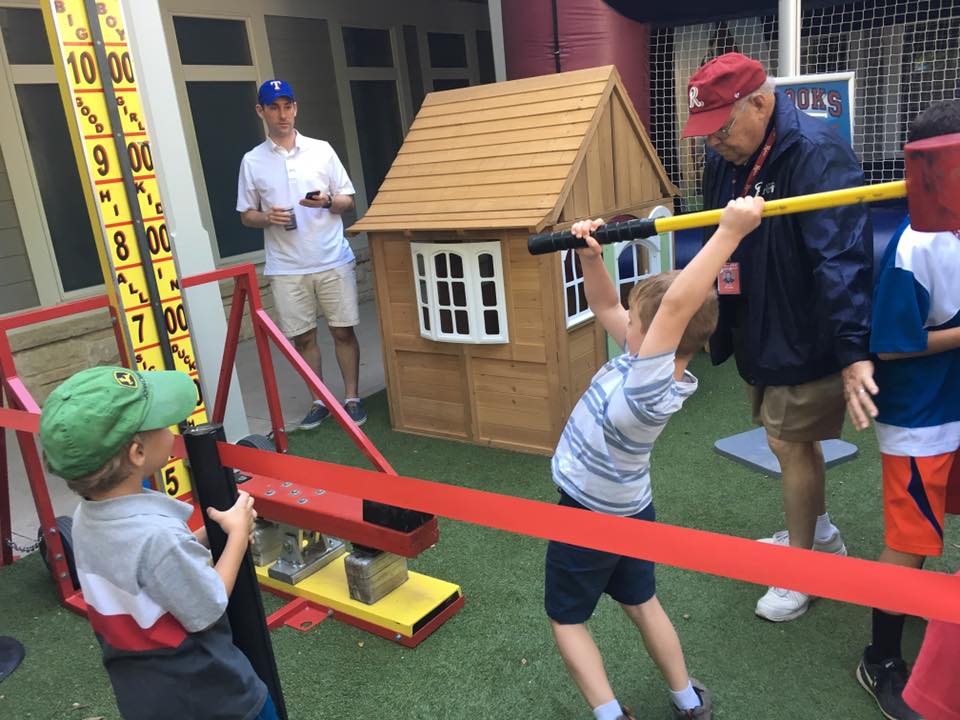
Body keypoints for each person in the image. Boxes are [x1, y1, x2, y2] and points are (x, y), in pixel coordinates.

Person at [546, 194, 767, 720]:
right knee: (641, 601)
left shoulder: (644, 387)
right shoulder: (648, 367)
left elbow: (673, 306)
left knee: (567, 620)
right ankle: (688, 702)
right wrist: (591, 256)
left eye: (638, 319)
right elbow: (604, 306)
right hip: (633, 510)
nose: (627, 321)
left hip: (588, 513)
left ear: (659, 334)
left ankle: (610, 714)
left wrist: (730, 231)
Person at [682, 52, 875, 622]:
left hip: (803, 329)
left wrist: (851, 352)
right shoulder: (727, 156)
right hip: (757, 323)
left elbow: (842, 256)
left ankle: (803, 569)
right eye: (704, 132)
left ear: (760, 103)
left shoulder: (814, 151)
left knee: (791, 444)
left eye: (720, 128)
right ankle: (817, 536)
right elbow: (717, 239)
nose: (712, 143)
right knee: (781, 439)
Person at [38, 366, 276, 720]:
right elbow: (209, 604)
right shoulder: (157, 536)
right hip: (213, 701)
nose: (171, 430)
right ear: (136, 452)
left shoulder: (88, 518)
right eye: (163, 425)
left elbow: (147, 573)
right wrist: (238, 535)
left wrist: (202, 540)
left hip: (146, 698)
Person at [853, 99, 960, 720]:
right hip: (920, 419)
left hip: (954, 406)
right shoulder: (913, 244)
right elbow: (892, 345)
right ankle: (880, 657)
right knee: (911, 540)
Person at [237, 79, 366, 430]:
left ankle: (352, 398)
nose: (282, 114)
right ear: (260, 111)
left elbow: (347, 201)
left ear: (296, 108)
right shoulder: (252, 161)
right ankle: (319, 400)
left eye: (288, 106)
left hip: (332, 258)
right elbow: (247, 214)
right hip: (286, 266)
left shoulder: (321, 150)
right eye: (274, 107)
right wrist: (268, 217)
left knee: (343, 331)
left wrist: (324, 201)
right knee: (303, 336)